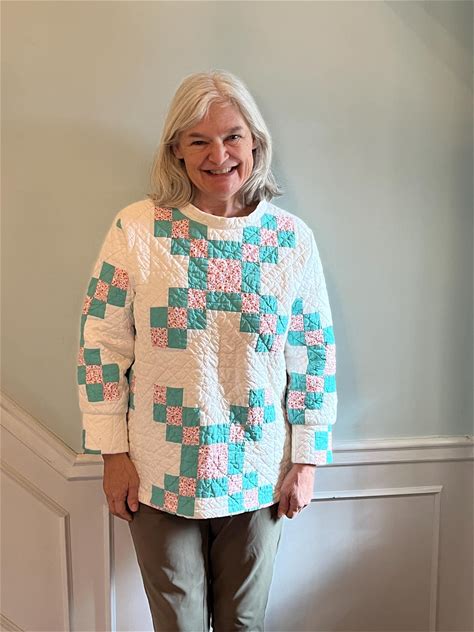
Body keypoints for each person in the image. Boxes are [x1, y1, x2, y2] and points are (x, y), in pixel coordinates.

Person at [77, 69, 337, 632]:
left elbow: (313, 352)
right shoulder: (137, 230)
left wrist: (307, 458)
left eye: (232, 136)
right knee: (179, 623)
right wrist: (111, 452)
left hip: (260, 466)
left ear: (255, 142)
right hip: (158, 467)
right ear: (176, 149)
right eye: (199, 141)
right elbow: (101, 344)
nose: (218, 155)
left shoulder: (290, 241)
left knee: (244, 622)